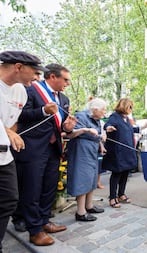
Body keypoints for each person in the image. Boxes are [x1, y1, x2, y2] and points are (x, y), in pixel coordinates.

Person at [13, 63, 76, 246]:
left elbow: (61, 124)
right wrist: (42, 111)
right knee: (32, 189)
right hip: (32, 148)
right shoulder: (30, 90)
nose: (67, 84)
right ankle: (34, 231)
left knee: (49, 188)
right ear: (52, 77)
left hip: (53, 148)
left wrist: (67, 127)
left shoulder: (63, 99)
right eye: (65, 80)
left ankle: (44, 221)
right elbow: (18, 116)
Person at [0, 50, 47, 253]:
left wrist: (9, 132)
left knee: (9, 199)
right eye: (35, 72)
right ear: (18, 67)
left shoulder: (20, 90)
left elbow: (13, 124)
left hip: (4, 155)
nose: (37, 77)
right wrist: (6, 132)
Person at [66, 98, 108, 222]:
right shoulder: (80, 116)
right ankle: (80, 212)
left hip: (92, 150)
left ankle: (89, 206)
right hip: (81, 151)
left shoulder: (97, 119)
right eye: (103, 110)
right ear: (95, 109)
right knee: (82, 179)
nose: (104, 112)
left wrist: (101, 146)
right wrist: (86, 129)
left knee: (92, 178)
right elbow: (70, 134)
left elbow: (98, 136)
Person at [103, 98, 141, 208]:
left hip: (127, 151)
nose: (131, 109)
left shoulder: (127, 119)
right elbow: (108, 125)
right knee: (116, 173)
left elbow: (130, 130)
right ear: (124, 106)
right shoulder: (114, 116)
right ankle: (112, 197)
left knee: (125, 173)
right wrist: (108, 127)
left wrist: (143, 127)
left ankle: (121, 194)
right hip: (117, 152)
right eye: (130, 107)